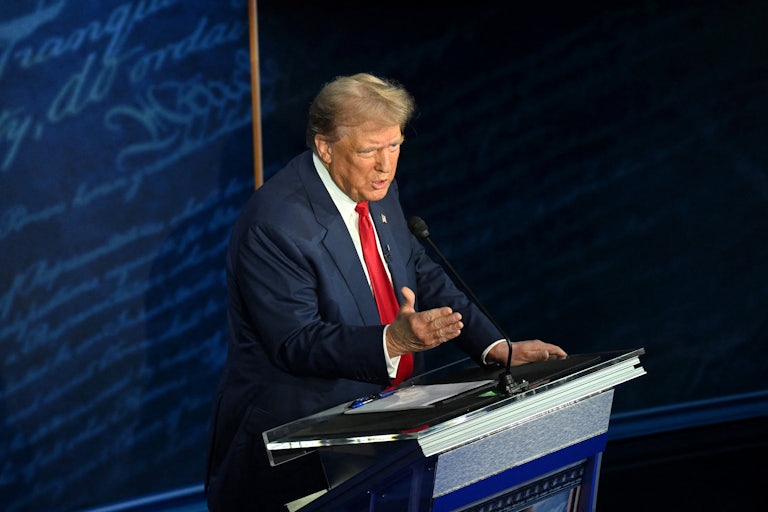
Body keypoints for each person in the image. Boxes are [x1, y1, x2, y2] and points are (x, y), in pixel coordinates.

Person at [205, 72, 567, 511]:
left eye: (394, 145)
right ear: (324, 146)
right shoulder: (275, 224)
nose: (385, 165)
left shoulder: (377, 189)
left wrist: (494, 347)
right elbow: (295, 342)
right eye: (369, 151)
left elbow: (416, 268)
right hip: (298, 451)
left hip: (387, 436)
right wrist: (392, 341)